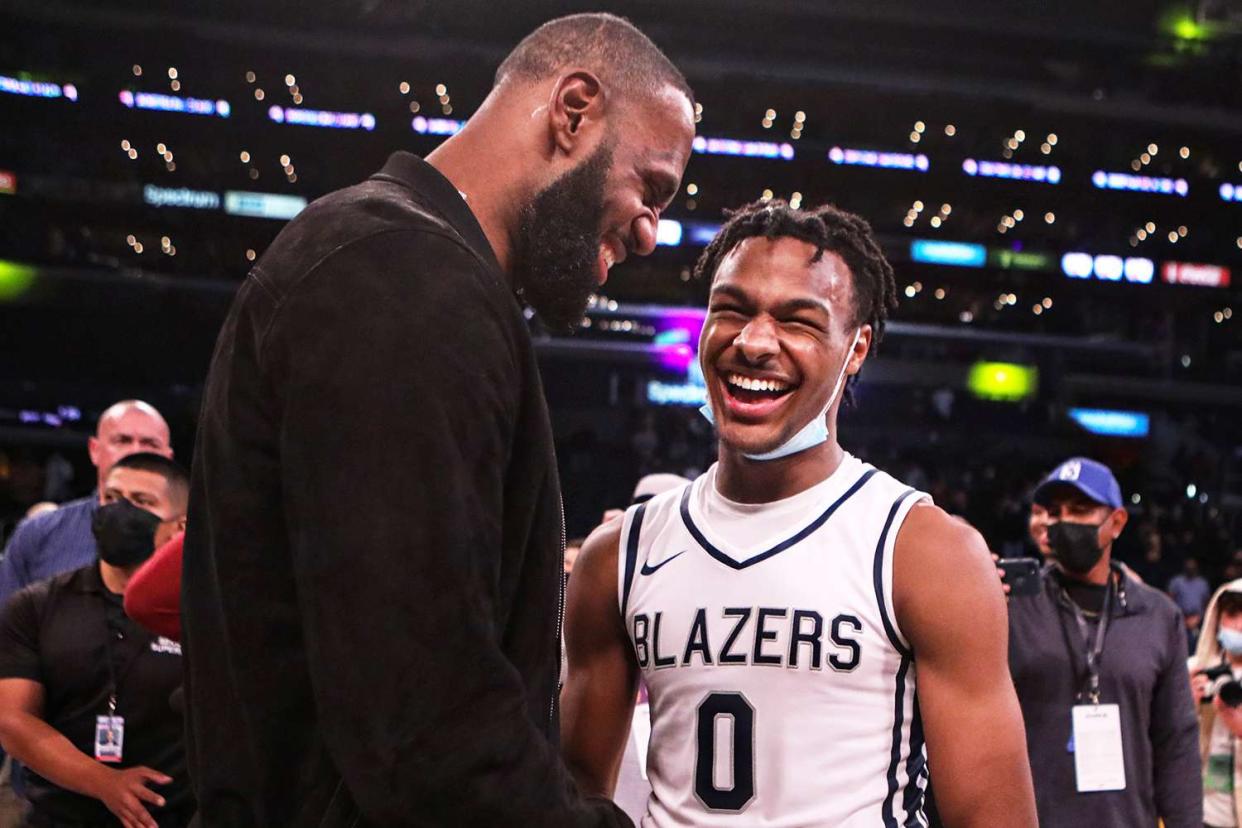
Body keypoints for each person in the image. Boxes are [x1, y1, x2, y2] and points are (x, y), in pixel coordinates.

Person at [182, 12, 695, 827]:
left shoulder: (399, 267)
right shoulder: (403, 280)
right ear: (574, 110)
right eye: (652, 186)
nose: (649, 233)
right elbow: (425, 723)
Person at [561, 200, 1036, 826]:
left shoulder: (923, 552)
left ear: (856, 347)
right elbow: (573, 799)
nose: (754, 342)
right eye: (731, 310)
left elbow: (994, 818)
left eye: (799, 321)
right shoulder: (618, 556)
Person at [0, 453, 191, 828]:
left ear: (180, 525)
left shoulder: (203, 611)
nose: (121, 511)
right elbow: (11, 719)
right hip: (59, 816)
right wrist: (104, 782)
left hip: (175, 815)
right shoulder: (37, 605)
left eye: (141, 502)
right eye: (111, 497)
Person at [1008, 457, 1202, 827]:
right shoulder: (1014, 608)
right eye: (1055, 511)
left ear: (1116, 522)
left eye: (1080, 510)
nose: (1063, 521)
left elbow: (1175, 738)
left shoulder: (1159, 616)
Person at [0, 400, 173, 606]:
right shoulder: (38, 534)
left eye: (150, 444)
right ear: (94, 450)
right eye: (122, 441)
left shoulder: (191, 543)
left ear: (167, 457)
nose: (136, 452)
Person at [1190, 580, 1242, 828]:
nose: (1240, 625)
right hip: (1208, 810)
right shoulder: (1194, 671)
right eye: (1232, 614)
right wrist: (1185, 704)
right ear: (1217, 619)